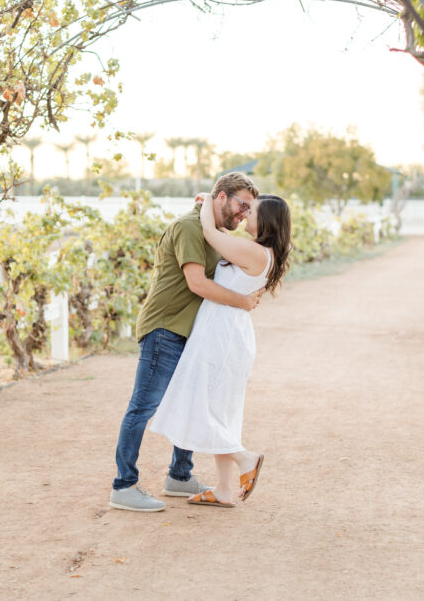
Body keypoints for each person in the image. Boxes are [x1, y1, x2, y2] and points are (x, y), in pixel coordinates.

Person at [109, 173, 262, 512]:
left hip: (188, 331)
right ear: (221, 198)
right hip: (165, 327)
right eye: (242, 205)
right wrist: (244, 302)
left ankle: (179, 476)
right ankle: (124, 486)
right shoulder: (191, 227)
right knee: (143, 407)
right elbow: (197, 283)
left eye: (250, 209)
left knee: (193, 402)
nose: (244, 214)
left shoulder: (214, 229)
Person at [150, 192, 292, 507]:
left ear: (265, 219)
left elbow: (211, 234)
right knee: (220, 412)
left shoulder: (254, 252)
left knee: (200, 406)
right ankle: (225, 490)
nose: (243, 214)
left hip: (221, 336)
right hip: (227, 332)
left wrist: (208, 202)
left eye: (250, 210)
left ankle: (245, 459)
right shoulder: (257, 251)